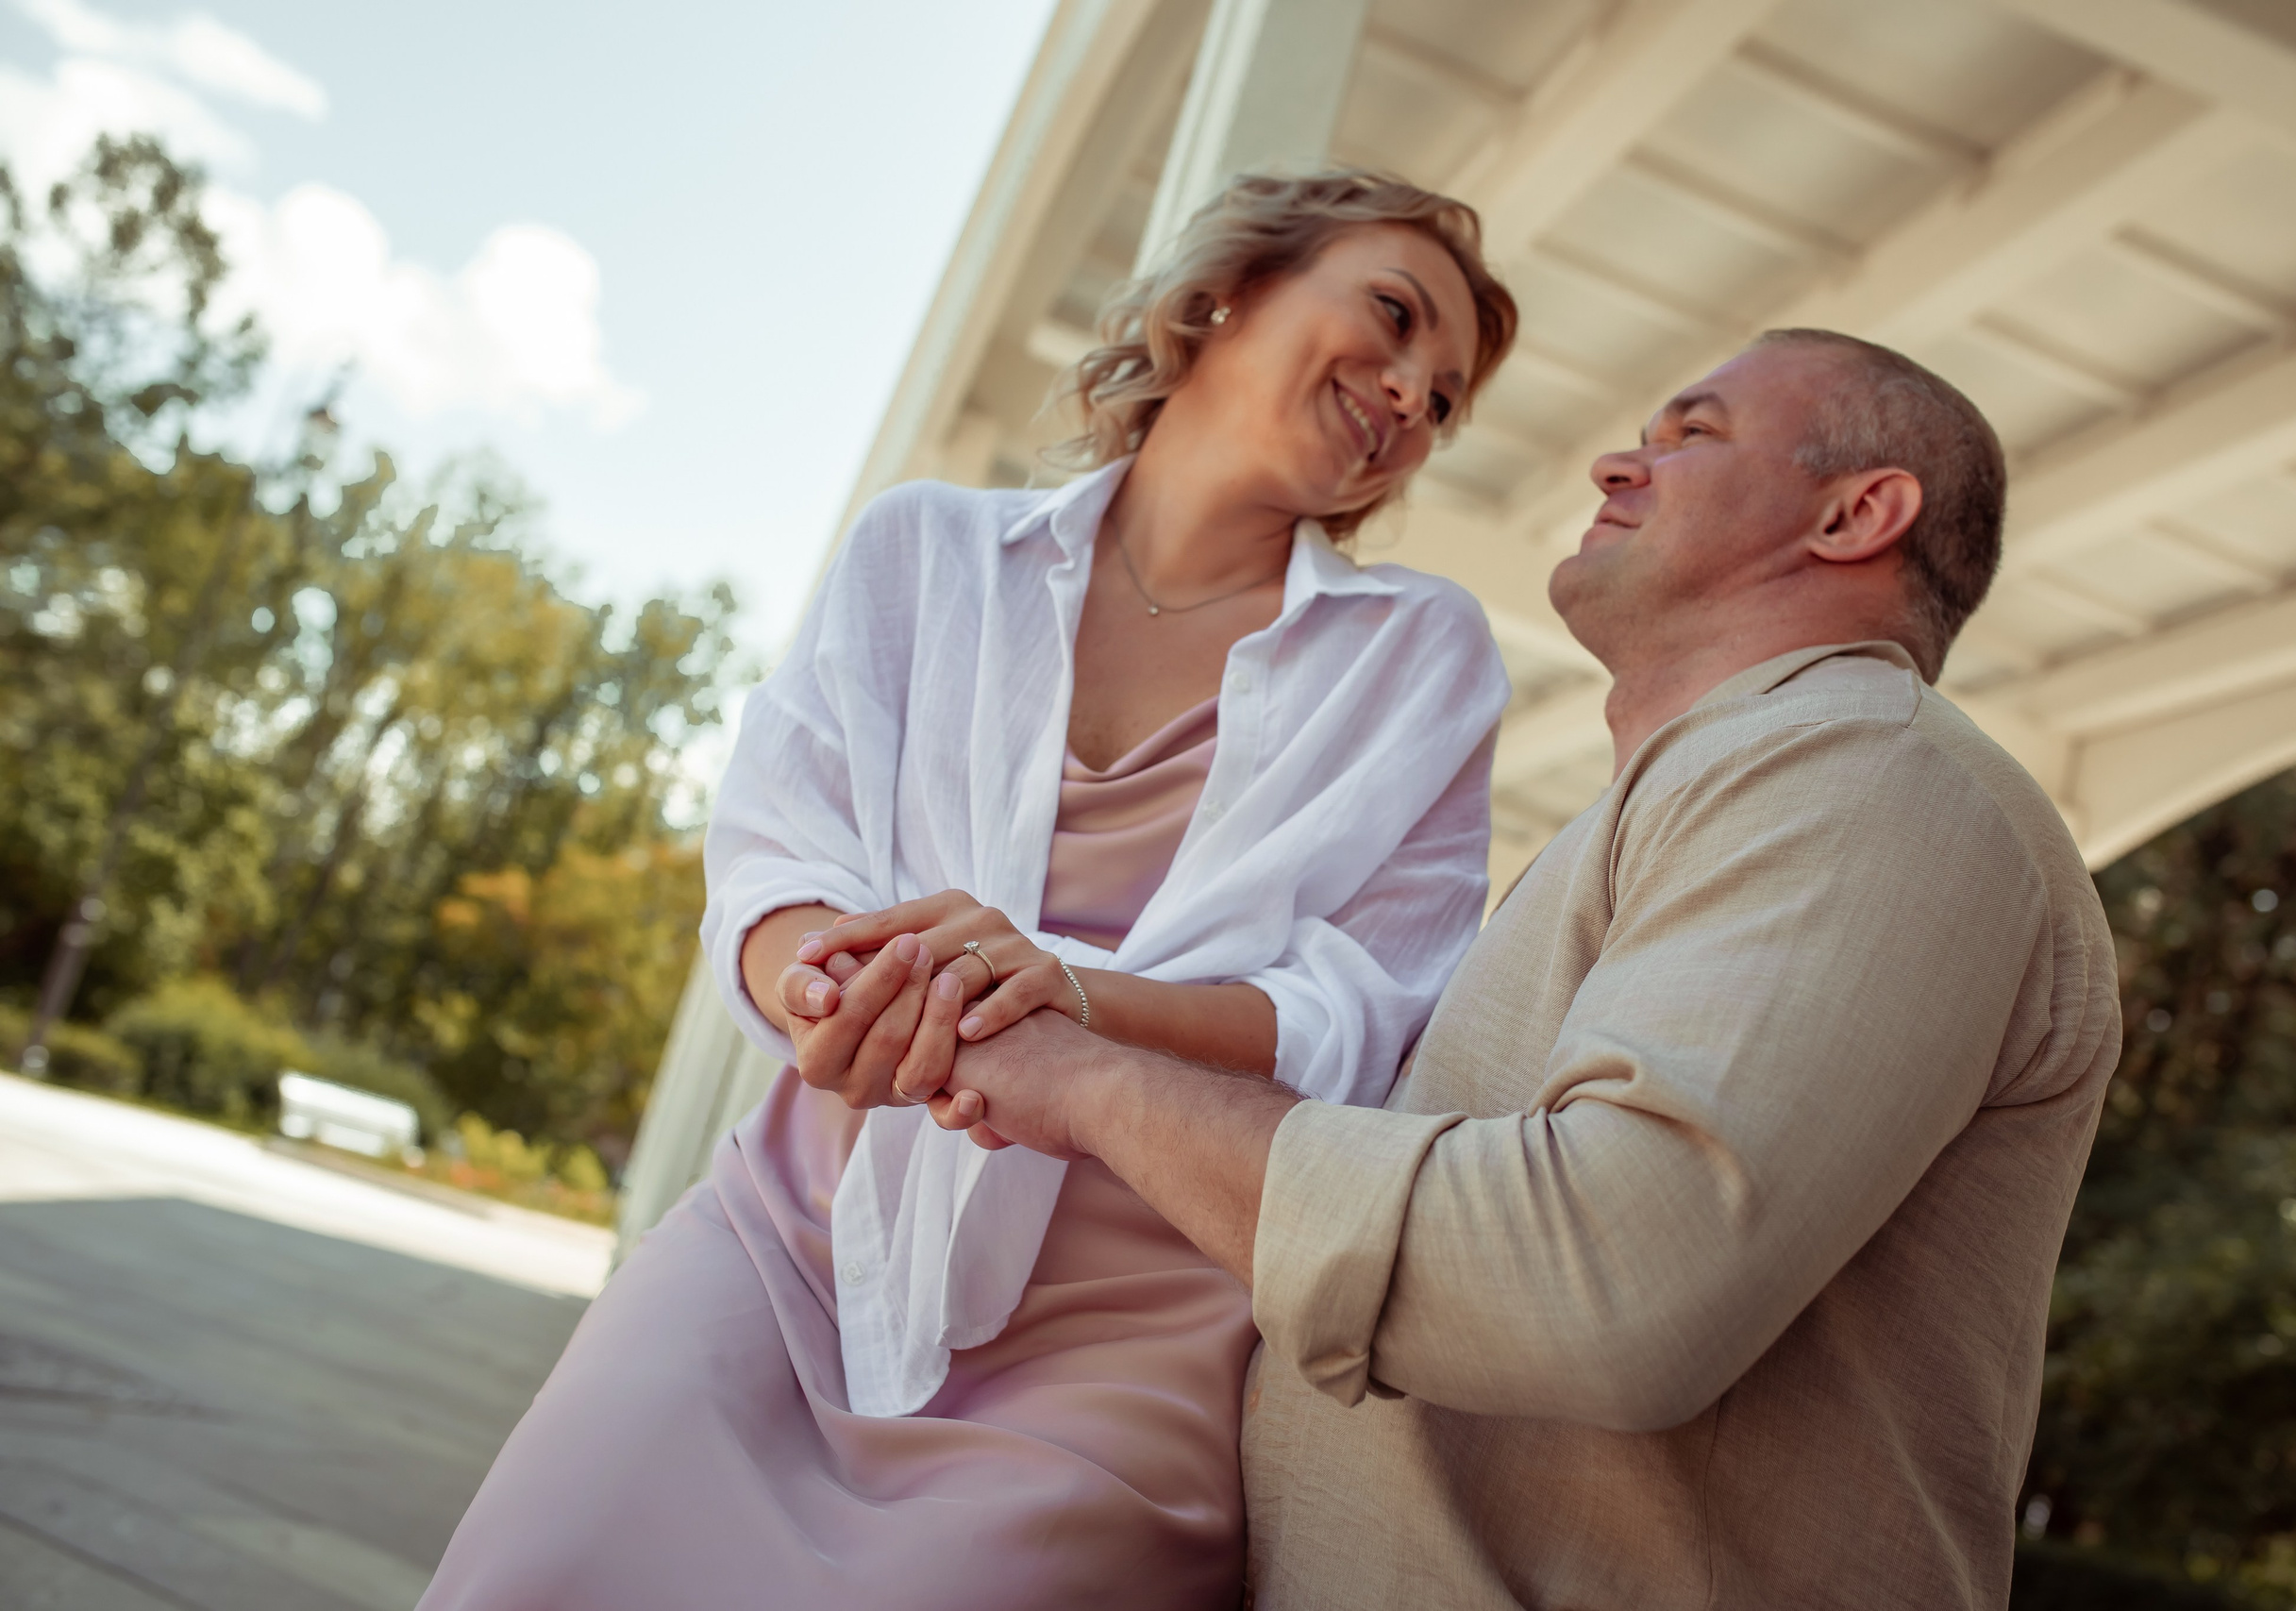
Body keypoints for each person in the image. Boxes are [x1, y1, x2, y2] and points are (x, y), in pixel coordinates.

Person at [417, 170, 1519, 1611]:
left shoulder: (1420, 656)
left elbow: (1365, 1011)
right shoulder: (925, 552)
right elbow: (779, 854)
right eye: (1393, 317)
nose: (1409, 397)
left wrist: (1061, 1002)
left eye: (1444, 398)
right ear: (1232, 290)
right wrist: (837, 994)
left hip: (1136, 1326)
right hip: (806, 1230)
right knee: (545, 1568)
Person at [936, 328, 2124, 1610]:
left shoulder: (1876, 778)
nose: (1619, 461)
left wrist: (1089, 1086)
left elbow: (1604, 1279)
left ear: (1855, 514)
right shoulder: (1704, 802)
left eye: (1692, 433)